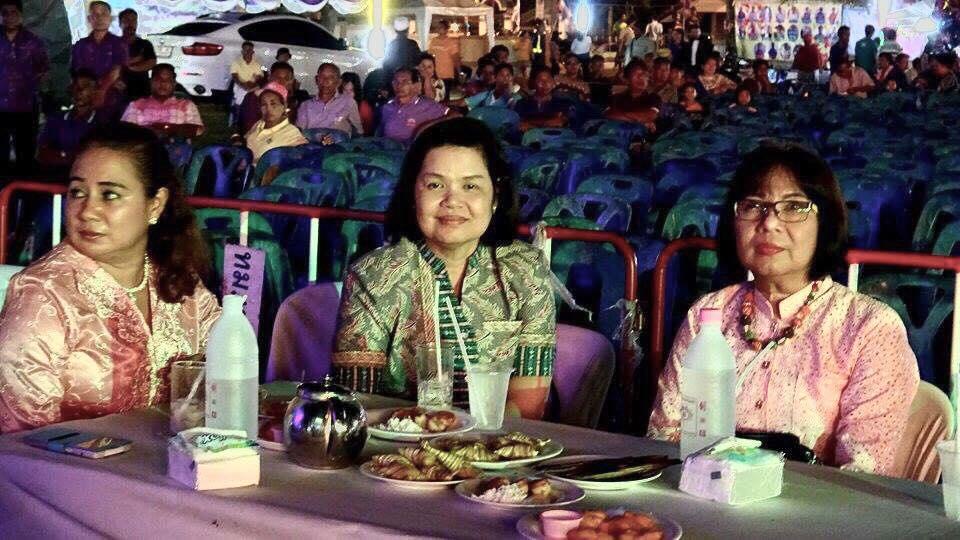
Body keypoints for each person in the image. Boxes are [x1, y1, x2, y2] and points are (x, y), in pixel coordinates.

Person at [648, 143, 918, 475]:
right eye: (753, 205)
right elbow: (664, 437)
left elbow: (863, 473)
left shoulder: (869, 328)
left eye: (793, 206)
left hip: (817, 505)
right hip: (703, 495)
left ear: (826, 223)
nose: (769, 223)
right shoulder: (708, 314)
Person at [0, 123, 221, 433]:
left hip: (180, 459)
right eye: (77, 192)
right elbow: (22, 439)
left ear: (155, 205)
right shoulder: (44, 294)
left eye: (110, 195)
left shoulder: (179, 283)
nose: (87, 211)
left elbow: (226, 377)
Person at [332, 117, 556, 418]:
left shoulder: (526, 270)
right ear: (414, 194)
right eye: (435, 185)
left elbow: (529, 403)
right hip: (394, 441)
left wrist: (469, 437)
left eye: (470, 186)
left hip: (500, 442)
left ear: (495, 197)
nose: (452, 201)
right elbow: (355, 403)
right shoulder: (373, 276)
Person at [0, 0, 48, 176]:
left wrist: (30, 85)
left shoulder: (33, 41)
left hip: (25, 105)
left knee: (26, 154)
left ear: (21, 15)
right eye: (5, 13)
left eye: (14, 12)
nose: (9, 17)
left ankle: (23, 188)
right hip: (0, 105)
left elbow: (43, 69)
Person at [70, 1, 127, 120]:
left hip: (112, 100)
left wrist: (102, 90)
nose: (100, 18)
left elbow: (117, 70)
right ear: (89, 19)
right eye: (95, 14)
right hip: (86, 100)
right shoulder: (80, 45)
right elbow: (77, 73)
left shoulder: (119, 43)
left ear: (110, 18)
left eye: (104, 14)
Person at [37, 69, 100, 173]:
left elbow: (95, 159)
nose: (79, 90)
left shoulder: (101, 124)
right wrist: (69, 157)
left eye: (86, 86)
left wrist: (61, 155)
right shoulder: (56, 119)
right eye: (75, 85)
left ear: (95, 91)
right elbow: (42, 153)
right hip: (54, 175)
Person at [121, 64, 204, 139]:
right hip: (144, 146)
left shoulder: (186, 105)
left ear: (174, 84)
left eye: (168, 80)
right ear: (151, 82)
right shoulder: (136, 105)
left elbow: (195, 130)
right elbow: (126, 130)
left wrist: (162, 128)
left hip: (175, 146)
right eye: (158, 79)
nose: (163, 83)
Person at [378, 67, 453, 144]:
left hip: (412, 149)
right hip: (386, 148)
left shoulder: (428, 105)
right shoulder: (387, 107)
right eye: (396, 82)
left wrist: (425, 126)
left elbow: (455, 115)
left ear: (416, 85)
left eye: (405, 82)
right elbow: (380, 134)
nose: (399, 85)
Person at [243, 82, 307, 165]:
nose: (268, 109)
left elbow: (301, 159)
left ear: (284, 106)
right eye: (263, 104)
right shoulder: (259, 124)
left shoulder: (292, 133)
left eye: (273, 104)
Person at [238, 61, 307, 136]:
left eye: (287, 78)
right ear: (269, 78)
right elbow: (249, 128)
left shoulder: (296, 101)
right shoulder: (253, 98)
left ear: (292, 81)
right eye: (278, 78)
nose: (282, 82)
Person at [296, 63, 362, 137]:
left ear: (339, 82)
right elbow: (299, 134)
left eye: (331, 77)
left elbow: (359, 131)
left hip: (340, 144)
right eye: (322, 76)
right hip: (311, 143)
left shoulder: (348, 102)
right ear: (316, 80)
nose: (326, 81)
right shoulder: (305, 106)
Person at [606, 59, 660, 128]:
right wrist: (641, 122)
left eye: (644, 75)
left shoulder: (654, 98)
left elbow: (650, 115)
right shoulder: (616, 98)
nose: (641, 78)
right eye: (636, 74)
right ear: (627, 79)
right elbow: (609, 115)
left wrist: (622, 115)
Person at [514, 66, 570, 131]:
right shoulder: (522, 103)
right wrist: (547, 123)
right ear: (533, 82)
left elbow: (563, 121)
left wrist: (531, 123)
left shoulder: (562, 102)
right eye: (540, 80)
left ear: (553, 81)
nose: (545, 84)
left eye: (549, 80)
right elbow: (518, 124)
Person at [118, 8, 155, 100]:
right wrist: (137, 60)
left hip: (142, 94)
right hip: (120, 94)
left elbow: (151, 63)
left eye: (133, 20)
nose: (130, 23)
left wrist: (128, 66)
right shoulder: (114, 44)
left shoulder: (145, 44)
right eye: (127, 20)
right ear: (120, 24)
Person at [230, 41, 264, 108]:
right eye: (246, 50)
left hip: (252, 85)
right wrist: (242, 84)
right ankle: (238, 108)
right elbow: (234, 76)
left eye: (250, 50)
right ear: (242, 51)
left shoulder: (256, 64)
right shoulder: (236, 62)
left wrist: (255, 81)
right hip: (240, 84)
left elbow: (259, 76)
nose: (248, 52)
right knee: (242, 93)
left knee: (260, 93)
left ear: (253, 52)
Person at [340, 71, 375, 136]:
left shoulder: (364, 108)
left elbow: (367, 132)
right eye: (345, 90)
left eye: (351, 90)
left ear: (356, 91)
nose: (348, 94)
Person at [429, 20, 461, 86]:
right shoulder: (433, 41)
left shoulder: (452, 42)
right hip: (435, 74)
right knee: (437, 91)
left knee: (445, 91)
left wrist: (459, 72)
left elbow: (456, 58)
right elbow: (430, 56)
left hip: (447, 74)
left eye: (441, 27)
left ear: (446, 29)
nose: (438, 29)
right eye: (437, 27)